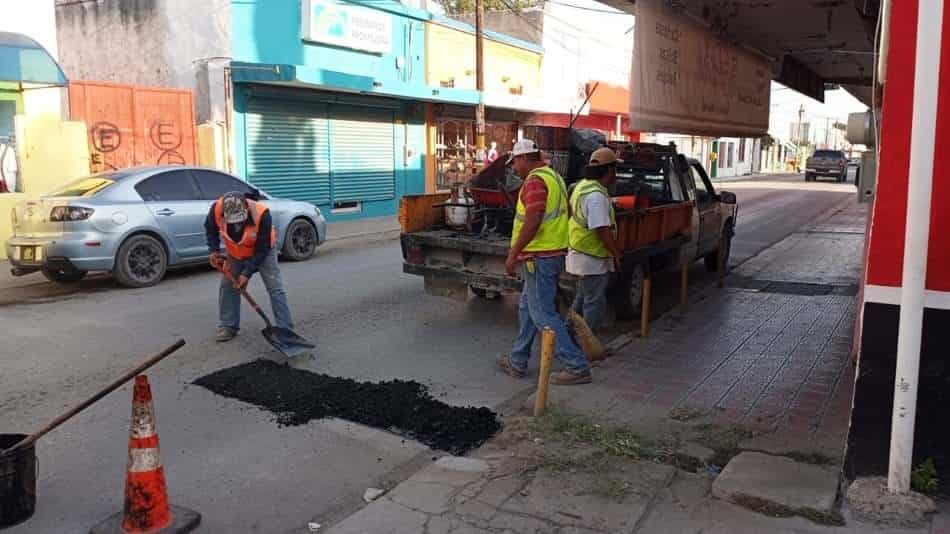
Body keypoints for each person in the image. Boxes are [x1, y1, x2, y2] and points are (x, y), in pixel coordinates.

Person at [497, 139, 592, 385]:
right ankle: (518, 360)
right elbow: (565, 214)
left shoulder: (535, 181)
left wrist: (513, 253)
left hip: (539, 257)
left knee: (543, 315)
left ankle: (576, 365)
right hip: (549, 254)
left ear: (524, 158)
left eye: (515, 162)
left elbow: (533, 219)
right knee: (528, 308)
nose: (514, 168)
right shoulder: (555, 178)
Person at [205, 191, 294, 342]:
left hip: (263, 251)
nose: (237, 225)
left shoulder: (262, 214)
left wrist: (246, 274)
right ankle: (228, 326)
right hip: (235, 251)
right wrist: (213, 250)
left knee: (275, 288)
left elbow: (262, 249)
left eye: (240, 221)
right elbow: (210, 229)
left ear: (246, 208)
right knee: (228, 286)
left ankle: (285, 329)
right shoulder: (217, 209)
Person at [567, 147, 624, 333]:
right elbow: (601, 229)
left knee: (582, 298)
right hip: (590, 258)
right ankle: (587, 344)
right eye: (615, 169)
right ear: (608, 171)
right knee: (593, 303)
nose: (616, 174)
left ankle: (567, 336)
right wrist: (616, 253)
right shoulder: (596, 196)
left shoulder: (583, 187)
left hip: (581, 254)